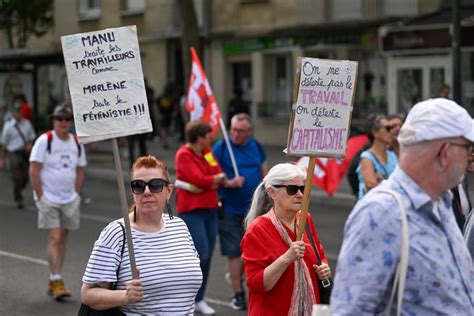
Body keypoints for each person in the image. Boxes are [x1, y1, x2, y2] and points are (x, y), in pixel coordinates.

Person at [331, 98, 474, 314]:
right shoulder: (381, 213)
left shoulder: (441, 202)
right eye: (467, 147)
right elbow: (352, 311)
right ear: (444, 152)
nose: (470, 157)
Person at [81, 155, 202, 314]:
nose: (147, 192)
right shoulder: (117, 233)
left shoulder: (179, 226)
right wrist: (124, 296)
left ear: (169, 191)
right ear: (133, 192)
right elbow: (88, 294)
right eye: (139, 185)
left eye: (156, 185)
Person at [241, 163, 331, 315]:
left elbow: (319, 255)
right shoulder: (257, 230)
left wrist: (324, 268)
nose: (300, 195)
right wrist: (286, 258)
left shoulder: (305, 219)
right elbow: (256, 283)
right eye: (292, 189)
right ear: (272, 193)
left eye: (302, 188)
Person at [175, 119, 243, 315]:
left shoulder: (206, 152)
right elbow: (198, 180)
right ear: (199, 138)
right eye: (207, 136)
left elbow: (217, 174)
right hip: (192, 211)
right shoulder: (184, 154)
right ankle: (187, 296)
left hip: (211, 209)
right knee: (200, 254)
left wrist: (213, 180)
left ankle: (199, 298)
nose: (211, 139)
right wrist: (213, 180)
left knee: (207, 257)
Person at [29, 105, 87, 300]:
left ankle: (55, 279)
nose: (63, 122)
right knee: (55, 236)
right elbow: (34, 169)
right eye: (59, 119)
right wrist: (41, 196)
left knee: (63, 238)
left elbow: (80, 169)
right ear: (53, 121)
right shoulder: (45, 141)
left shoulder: (76, 143)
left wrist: (77, 194)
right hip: (49, 198)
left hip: (69, 198)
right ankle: (57, 278)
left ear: (71, 122)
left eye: (67, 119)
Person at [212, 113, 267, 310]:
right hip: (229, 208)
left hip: (253, 209)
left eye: (240, 130)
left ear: (249, 132)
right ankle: (238, 293)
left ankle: (236, 276)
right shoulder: (221, 147)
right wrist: (227, 181)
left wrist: (267, 193)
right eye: (233, 129)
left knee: (251, 251)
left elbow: (264, 172)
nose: (235, 133)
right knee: (234, 252)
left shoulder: (256, 147)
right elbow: (211, 171)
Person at [0, 103, 36, 208]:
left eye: (19, 111)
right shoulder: (8, 126)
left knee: (25, 176)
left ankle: (19, 189)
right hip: (13, 153)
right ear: (12, 113)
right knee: (16, 176)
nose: (18, 114)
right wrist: (2, 159)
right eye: (16, 112)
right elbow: (4, 144)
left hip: (24, 153)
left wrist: (30, 144)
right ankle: (18, 198)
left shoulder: (27, 124)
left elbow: (31, 137)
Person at [356, 114, 397, 199]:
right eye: (388, 128)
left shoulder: (392, 155)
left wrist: (381, 180)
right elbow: (372, 185)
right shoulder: (367, 158)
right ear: (375, 133)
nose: (392, 131)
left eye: (392, 128)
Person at [156, 82, 176, 149]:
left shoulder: (171, 97)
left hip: (167, 115)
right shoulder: (161, 97)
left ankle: (165, 141)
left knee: (166, 129)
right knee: (164, 129)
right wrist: (158, 114)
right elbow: (156, 106)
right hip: (164, 115)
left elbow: (174, 106)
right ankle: (165, 141)